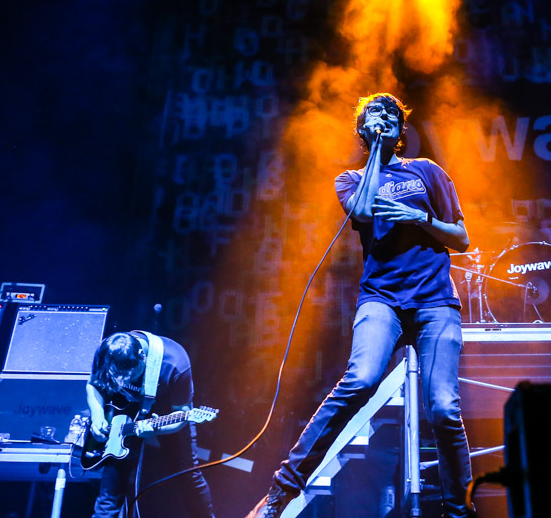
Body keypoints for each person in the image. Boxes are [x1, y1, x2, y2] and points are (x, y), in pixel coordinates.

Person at [246, 93, 474, 518]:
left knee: (443, 407)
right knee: (361, 379)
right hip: (382, 299)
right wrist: (374, 158)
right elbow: (365, 211)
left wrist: (417, 218)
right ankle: (282, 491)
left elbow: (461, 239)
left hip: (435, 300)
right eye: (374, 115)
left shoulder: (427, 171)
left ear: (402, 130)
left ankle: (459, 511)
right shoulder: (349, 179)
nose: (383, 119)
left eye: (391, 115)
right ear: (363, 130)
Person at [86, 331, 215, 518]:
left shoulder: (174, 363)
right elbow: (93, 385)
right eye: (117, 378)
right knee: (113, 480)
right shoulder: (106, 352)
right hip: (122, 412)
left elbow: (183, 412)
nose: (123, 382)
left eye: (130, 376)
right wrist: (98, 417)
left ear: (142, 357)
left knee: (187, 475)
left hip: (166, 410)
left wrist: (157, 428)